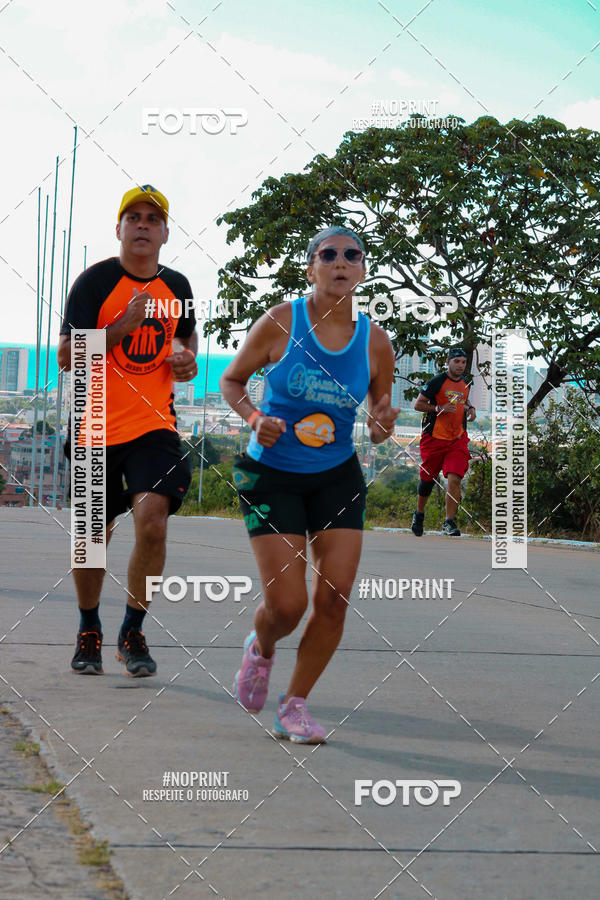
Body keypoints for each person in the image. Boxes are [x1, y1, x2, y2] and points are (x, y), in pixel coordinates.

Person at [220, 226, 399, 743]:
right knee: (288, 607)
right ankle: (262, 648)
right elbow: (231, 380)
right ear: (311, 267)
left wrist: (384, 420)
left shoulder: (376, 341)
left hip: (336, 475)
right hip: (271, 472)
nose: (341, 262)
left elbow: (379, 425)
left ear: (363, 270)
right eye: (329, 254)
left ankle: (293, 705)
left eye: (352, 255)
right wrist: (254, 417)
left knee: (336, 597)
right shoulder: (281, 321)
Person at [57, 185, 198, 677]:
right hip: (95, 427)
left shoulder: (177, 285)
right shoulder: (95, 283)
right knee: (93, 535)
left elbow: (185, 347)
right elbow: (66, 357)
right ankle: (89, 628)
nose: (142, 225)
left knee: (153, 519)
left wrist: (185, 362)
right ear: (118, 228)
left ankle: (132, 629)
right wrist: (122, 326)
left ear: (164, 233)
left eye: (151, 219)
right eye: (133, 217)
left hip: (153, 426)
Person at [411, 347, 476, 537]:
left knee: (455, 477)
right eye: (457, 362)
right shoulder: (436, 382)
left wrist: (470, 408)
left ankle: (449, 522)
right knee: (427, 480)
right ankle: (419, 514)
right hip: (434, 438)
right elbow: (418, 404)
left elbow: (463, 399)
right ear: (448, 362)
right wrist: (439, 407)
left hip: (457, 439)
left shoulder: (465, 382)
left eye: (463, 362)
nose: (460, 366)